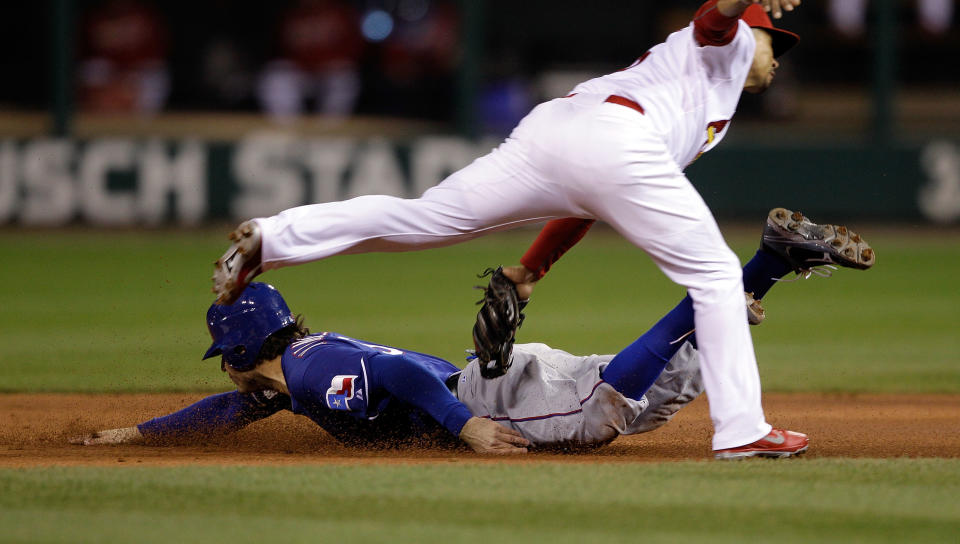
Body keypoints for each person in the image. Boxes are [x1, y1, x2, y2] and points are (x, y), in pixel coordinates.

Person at [211, 0, 811, 458]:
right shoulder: (723, 51)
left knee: (427, 219)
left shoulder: (704, 100)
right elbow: (713, 17)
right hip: (611, 135)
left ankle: (275, 237)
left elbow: (590, 194)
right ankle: (741, 430)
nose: (776, 56)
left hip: (558, 133)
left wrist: (530, 268)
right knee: (714, 275)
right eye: (771, 42)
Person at [82, 209, 873, 457]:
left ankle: (723, 295)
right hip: (506, 374)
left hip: (486, 393)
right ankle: (758, 272)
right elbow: (223, 414)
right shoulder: (298, 367)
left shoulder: (314, 374)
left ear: (243, 352)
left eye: (226, 361)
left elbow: (403, 382)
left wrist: (468, 431)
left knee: (606, 409)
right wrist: (132, 435)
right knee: (668, 386)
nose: (226, 376)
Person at [256, 0, 364, 122]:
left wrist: (327, 62)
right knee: (274, 75)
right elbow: (280, 51)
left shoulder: (340, 12)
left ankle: (330, 129)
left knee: (346, 77)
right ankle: (288, 128)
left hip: (330, 72)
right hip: (302, 73)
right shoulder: (291, 15)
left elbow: (355, 49)